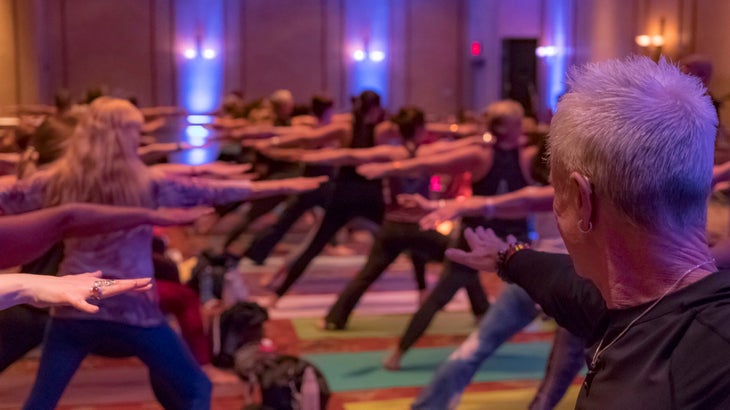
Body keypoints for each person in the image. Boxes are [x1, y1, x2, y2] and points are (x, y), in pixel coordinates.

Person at [0, 97, 325, 410]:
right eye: (135, 131)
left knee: (41, 402)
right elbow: (210, 192)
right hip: (133, 307)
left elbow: (9, 196)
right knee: (198, 388)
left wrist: (262, 184)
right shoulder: (145, 183)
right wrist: (276, 187)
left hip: (76, 305)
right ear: (125, 134)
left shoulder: (59, 180)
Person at [445, 56, 730, 408]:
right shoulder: (638, 300)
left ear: (582, 200)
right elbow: (562, 282)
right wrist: (507, 256)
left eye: (558, 192)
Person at [358, 100, 535, 367]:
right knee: (442, 294)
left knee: (541, 288)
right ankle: (400, 351)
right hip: (479, 237)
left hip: (509, 238)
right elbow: (434, 164)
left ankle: (485, 325)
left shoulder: (528, 154)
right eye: (518, 122)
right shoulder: (482, 154)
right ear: (507, 127)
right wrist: (387, 169)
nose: (523, 126)